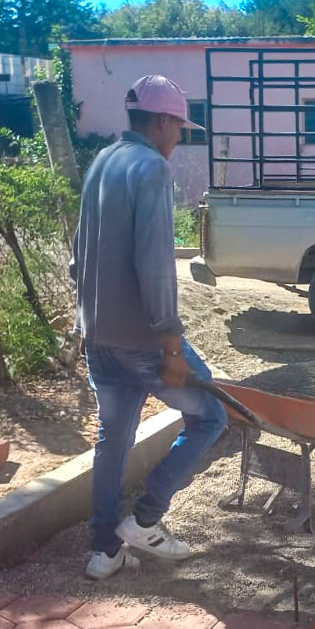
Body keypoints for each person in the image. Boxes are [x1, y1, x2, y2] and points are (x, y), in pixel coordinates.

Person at [72, 74, 228, 580]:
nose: (179, 137)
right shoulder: (151, 170)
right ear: (161, 121)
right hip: (142, 339)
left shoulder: (103, 163)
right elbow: (156, 265)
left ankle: (104, 551)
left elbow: (78, 254)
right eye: (179, 127)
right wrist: (171, 342)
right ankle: (145, 519)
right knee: (211, 418)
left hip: (98, 335)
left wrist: (90, 315)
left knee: (113, 439)